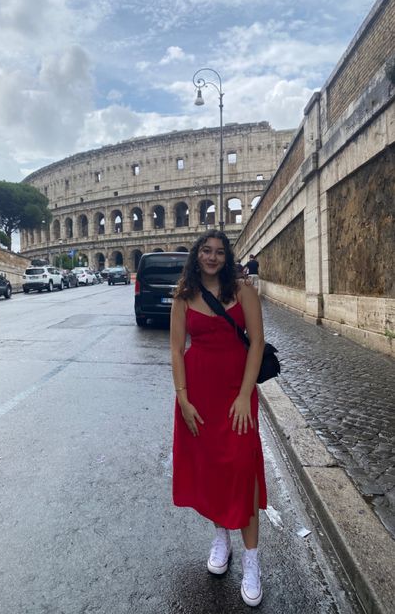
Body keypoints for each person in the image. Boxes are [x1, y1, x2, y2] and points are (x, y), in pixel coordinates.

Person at [170, 229, 267, 608]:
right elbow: (177, 350)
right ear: (196, 256)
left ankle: (252, 560)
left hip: (236, 395)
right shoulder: (183, 296)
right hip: (199, 396)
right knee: (211, 470)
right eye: (206, 251)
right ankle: (221, 537)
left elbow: (256, 343)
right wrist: (183, 400)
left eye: (219, 253)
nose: (212, 257)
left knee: (242, 470)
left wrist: (245, 395)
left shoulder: (243, 291)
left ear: (227, 258)